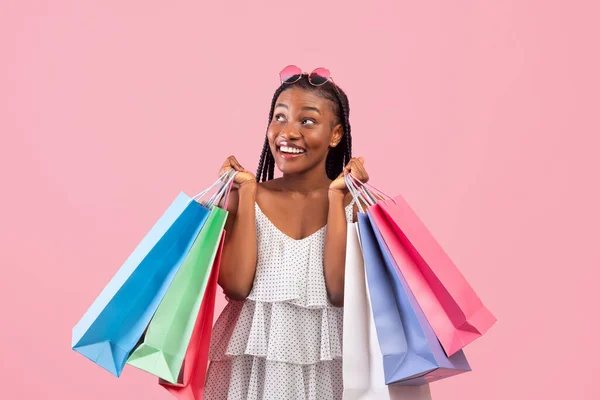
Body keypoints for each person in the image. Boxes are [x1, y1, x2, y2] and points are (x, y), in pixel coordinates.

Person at [204, 66, 369, 400]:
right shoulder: (245, 197)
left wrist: (337, 200)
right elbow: (236, 287)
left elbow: (339, 292)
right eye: (279, 117)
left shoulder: (354, 207)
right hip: (255, 368)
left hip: (330, 361)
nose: (287, 132)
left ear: (335, 134)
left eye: (306, 121)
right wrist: (247, 193)